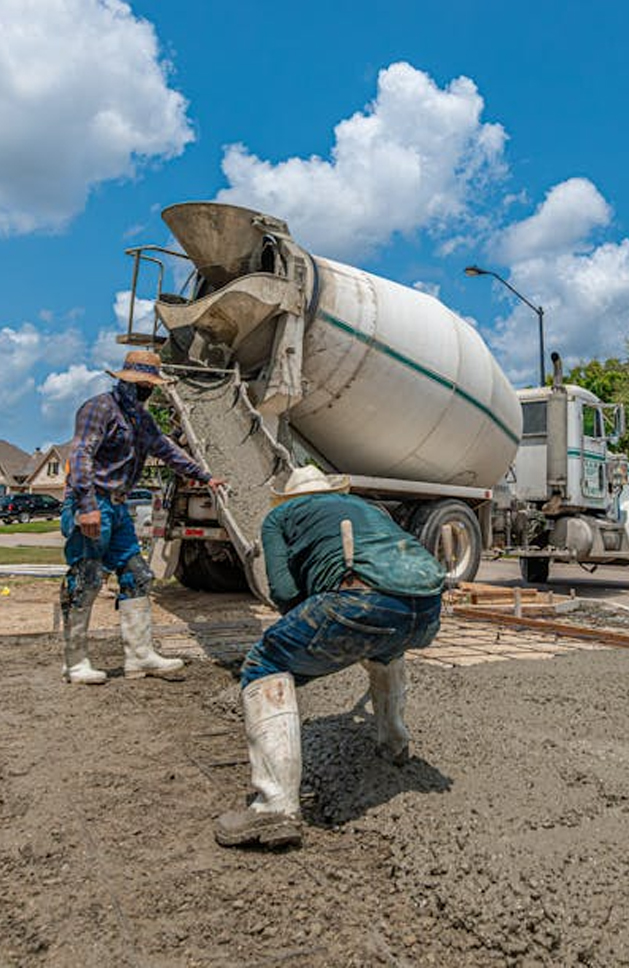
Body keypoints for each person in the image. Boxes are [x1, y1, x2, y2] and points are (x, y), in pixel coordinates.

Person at [214, 465, 446, 850]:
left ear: (290, 497)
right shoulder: (366, 507)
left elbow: (284, 590)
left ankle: (274, 808)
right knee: (385, 652)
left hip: (359, 601)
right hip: (426, 611)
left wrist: (313, 626)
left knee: (264, 663)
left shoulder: (280, 516)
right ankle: (394, 743)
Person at [61, 348, 224, 685]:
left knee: (137, 573)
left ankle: (139, 655)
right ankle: (75, 662)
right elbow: (80, 455)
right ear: (126, 382)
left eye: (150, 385)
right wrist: (87, 505)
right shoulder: (100, 409)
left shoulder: (141, 419)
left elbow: (167, 450)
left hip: (119, 507)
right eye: (141, 384)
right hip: (93, 501)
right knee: (87, 576)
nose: (146, 390)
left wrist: (205, 476)